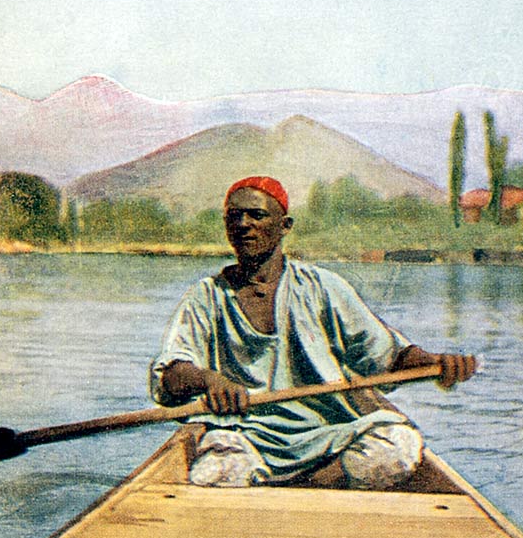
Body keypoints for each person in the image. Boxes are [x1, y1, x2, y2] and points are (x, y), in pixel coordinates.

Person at [150, 175, 476, 488]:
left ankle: (310, 483)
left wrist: (437, 363)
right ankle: (295, 484)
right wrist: (209, 379)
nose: (243, 224)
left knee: (399, 444)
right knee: (214, 473)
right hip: (246, 436)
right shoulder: (206, 296)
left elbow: (388, 356)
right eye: (234, 217)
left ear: (284, 226)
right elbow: (172, 372)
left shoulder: (322, 287)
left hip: (329, 435)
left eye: (257, 215)